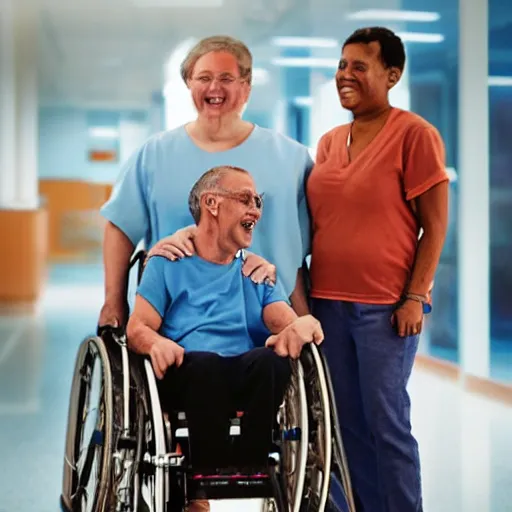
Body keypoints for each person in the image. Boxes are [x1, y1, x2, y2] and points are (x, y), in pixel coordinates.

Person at [306, 28, 449, 512]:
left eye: (358, 66)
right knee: (344, 424)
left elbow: (435, 225)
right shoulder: (327, 143)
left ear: (392, 75)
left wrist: (415, 295)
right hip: (327, 304)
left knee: (386, 423)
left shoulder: (414, 135)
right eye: (342, 65)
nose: (345, 75)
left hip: (384, 308)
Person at [126, 165, 323, 512]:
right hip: (188, 369)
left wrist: (301, 324)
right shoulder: (166, 263)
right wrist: (157, 343)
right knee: (204, 364)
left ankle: (250, 465)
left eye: (258, 202)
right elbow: (137, 327)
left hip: (243, 372)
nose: (256, 211)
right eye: (246, 199)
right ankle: (203, 480)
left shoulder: (256, 271)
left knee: (273, 361)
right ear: (212, 203)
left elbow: (284, 322)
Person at [99, 35, 312, 331]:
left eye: (226, 78)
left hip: (269, 320)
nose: (214, 88)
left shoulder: (291, 158)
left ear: (246, 87)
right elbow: (120, 227)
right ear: (190, 84)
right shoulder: (155, 154)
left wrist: (304, 316)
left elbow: (298, 252)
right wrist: (114, 301)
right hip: (181, 326)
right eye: (204, 78)